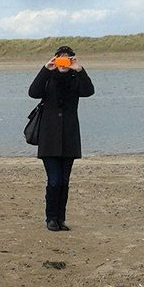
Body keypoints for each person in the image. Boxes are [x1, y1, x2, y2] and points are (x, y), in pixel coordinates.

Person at [28, 45, 94, 230]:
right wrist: (45, 69)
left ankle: (60, 219)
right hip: (49, 139)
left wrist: (80, 70)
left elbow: (89, 91)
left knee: (64, 181)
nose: (63, 63)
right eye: (60, 59)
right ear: (55, 60)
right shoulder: (48, 78)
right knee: (54, 180)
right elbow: (33, 92)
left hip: (69, 138)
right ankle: (51, 218)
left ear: (72, 59)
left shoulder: (75, 79)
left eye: (67, 58)